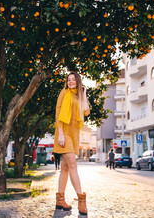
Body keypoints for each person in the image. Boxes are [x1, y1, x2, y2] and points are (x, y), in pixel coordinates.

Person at [53, 71, 90, 216]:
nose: (71, 81)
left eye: (73, 79)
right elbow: (58, 111)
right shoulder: (64, 92)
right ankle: (81, 200)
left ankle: (60, 199)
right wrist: (60, 133)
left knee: (65, 167)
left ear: (78, 81)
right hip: (64, 132)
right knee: (73, 163)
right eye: (69, 79)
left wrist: (84, 94)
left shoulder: (79, 96)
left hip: (74, 134)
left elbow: (86, 112)